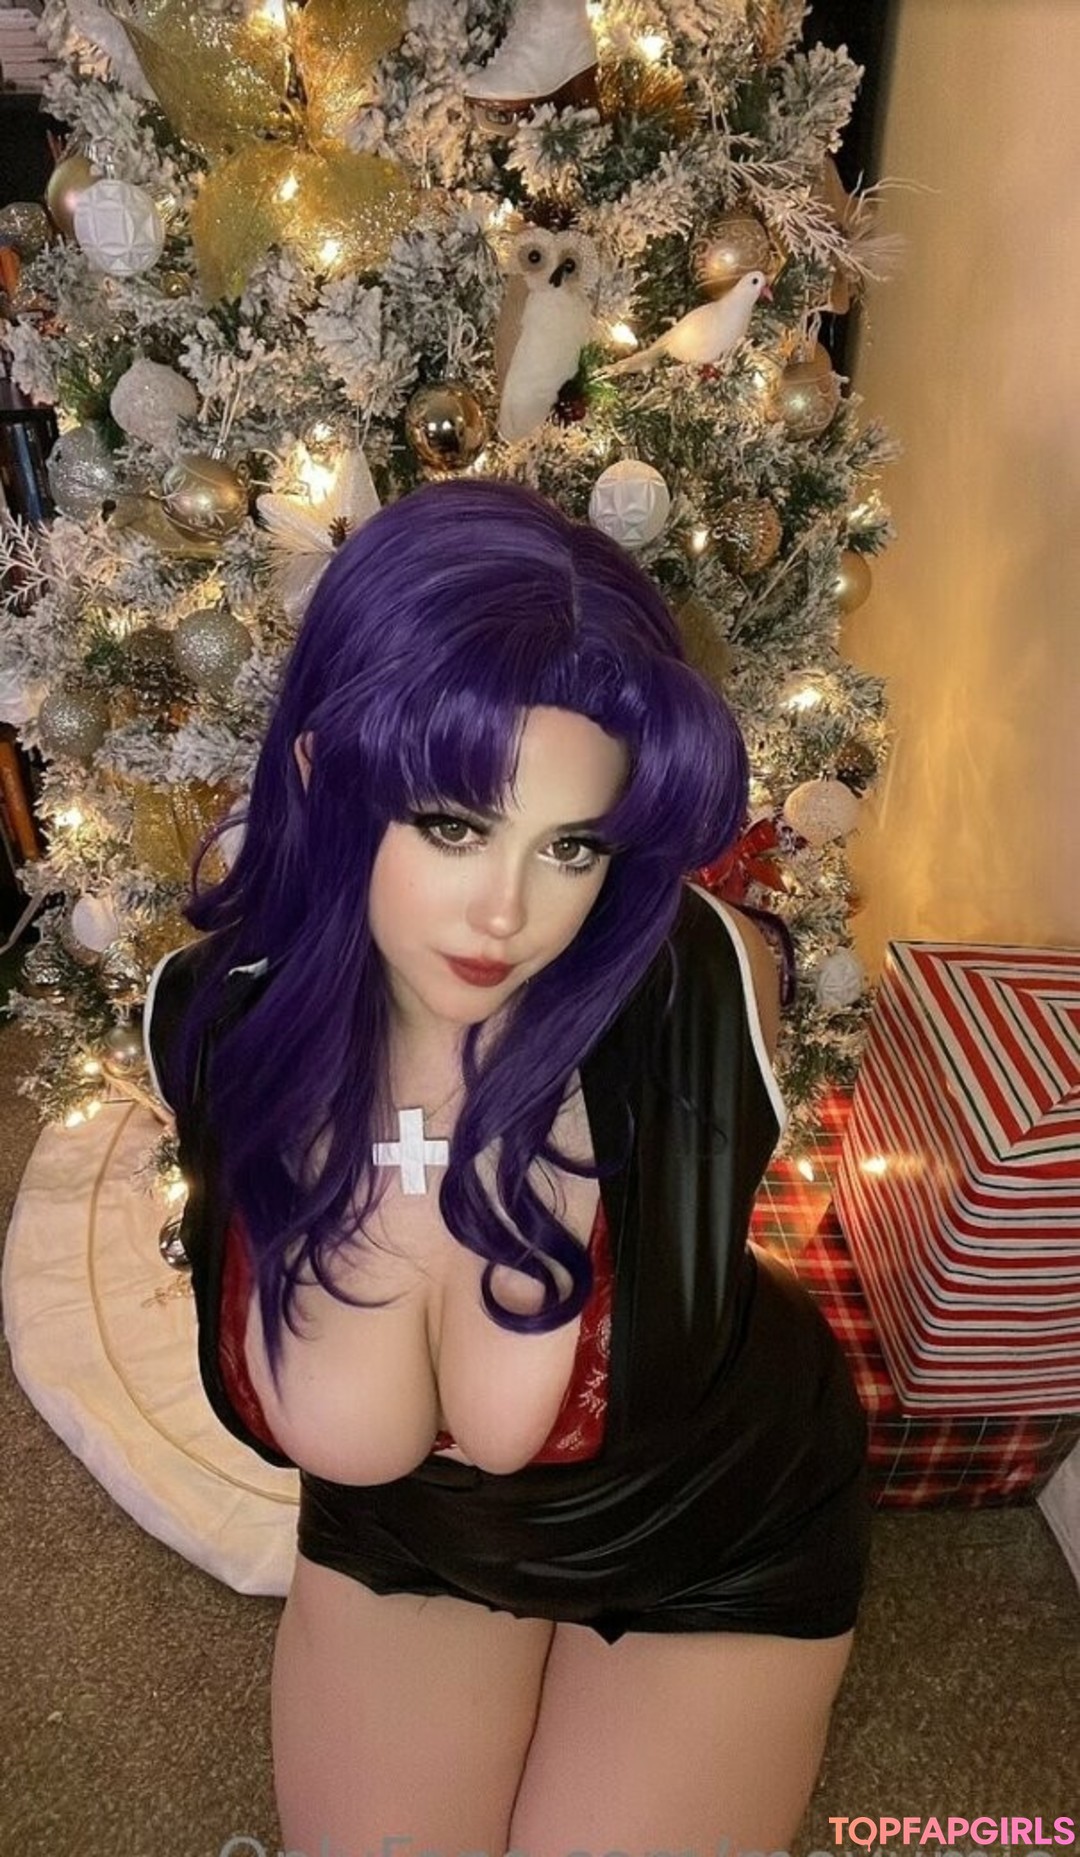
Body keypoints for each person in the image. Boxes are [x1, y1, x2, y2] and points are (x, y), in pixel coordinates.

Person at [144, 478, 868, 1857]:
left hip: (712, 1536)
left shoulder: (708, 996)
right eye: (452, 823)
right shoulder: (213, 1022)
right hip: (405, 1545)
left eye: (571, 845)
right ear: (326, 775)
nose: (505, 913)